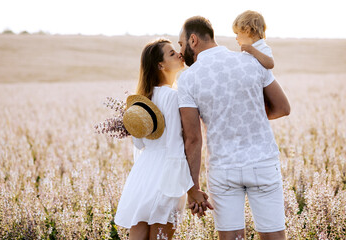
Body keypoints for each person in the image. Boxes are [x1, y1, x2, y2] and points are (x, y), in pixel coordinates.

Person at [177, 16, 291, 240]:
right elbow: (283, 108)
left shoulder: (188, 79)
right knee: (274, 235)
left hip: (223, 169)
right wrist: (251, 112)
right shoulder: (251, 61)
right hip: (262, 162)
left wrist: (194, 189)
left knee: (232, 237)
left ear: (193, 40)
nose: (180, 52)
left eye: (181, 44)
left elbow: (193, 139)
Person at [114, 39, 194, 240]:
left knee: (139, 230)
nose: (179, 55)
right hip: (168, 172)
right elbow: (176, 144)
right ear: (161, 65)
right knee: (161, 233)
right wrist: (189, 185)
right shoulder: (173, 96)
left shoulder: (143, 99)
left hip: (144, 172)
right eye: (172, 53)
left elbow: (139, 144)